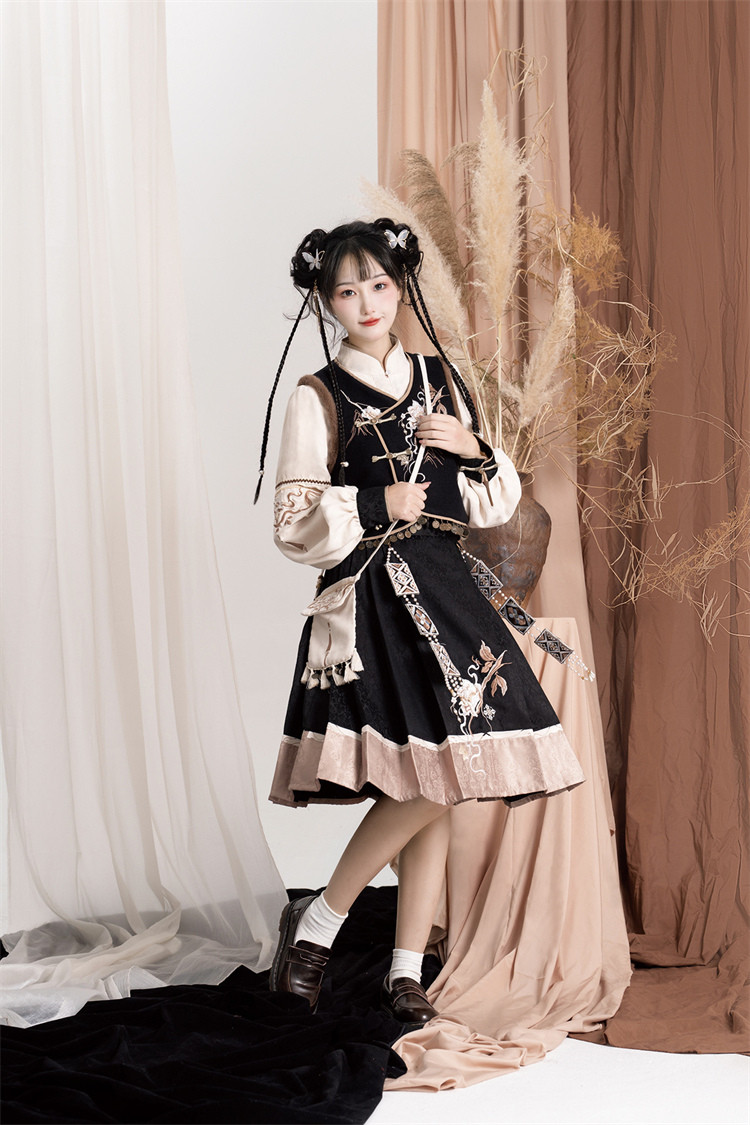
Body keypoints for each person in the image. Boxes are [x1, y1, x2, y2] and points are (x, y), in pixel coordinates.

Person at [259, 218, 584, 1026]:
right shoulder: (317, 396)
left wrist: (471, 446)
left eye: (378, 284)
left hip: (448, 590)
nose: (366, 303)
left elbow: (492, 502)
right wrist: (377, 501)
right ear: (325, 302)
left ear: (400, 286)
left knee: (441, 777)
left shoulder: (440, 378)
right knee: (430, 776)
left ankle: (400, 966)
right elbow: (292, 522)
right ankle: (321, 928)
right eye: (346, 291)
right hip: (372, 603)